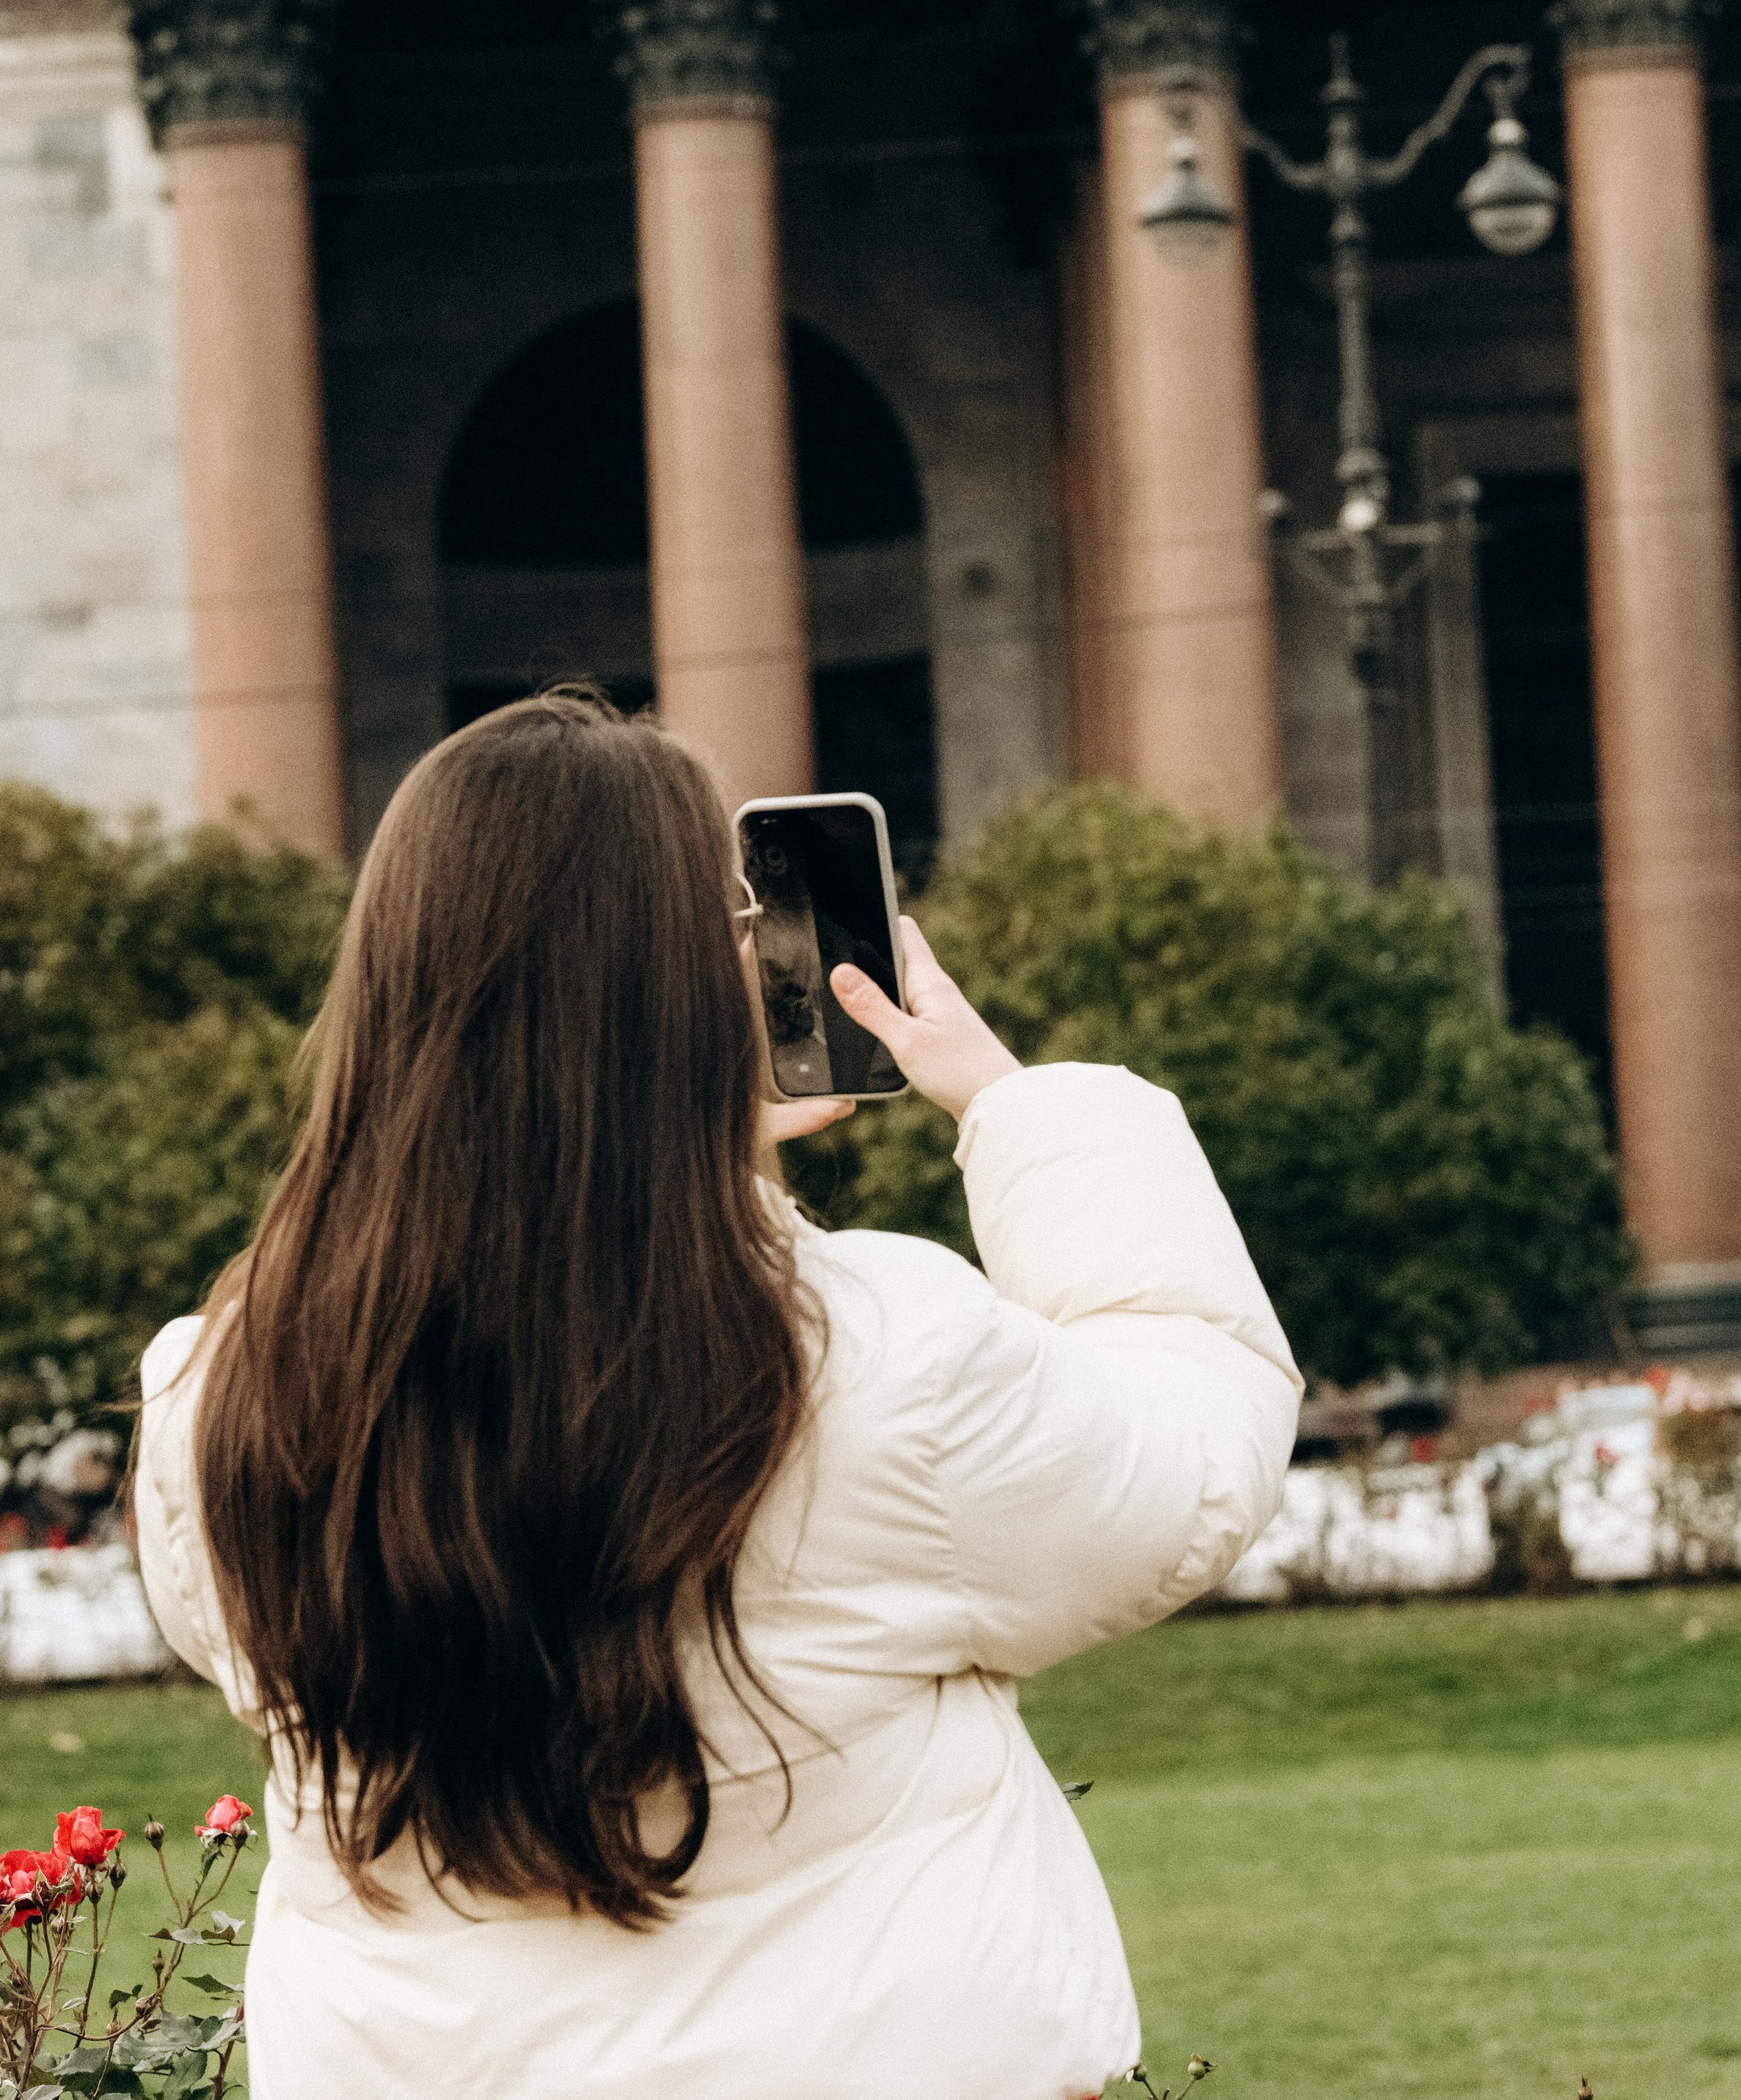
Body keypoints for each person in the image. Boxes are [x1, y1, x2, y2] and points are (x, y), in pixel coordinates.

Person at [135, 693, 1300, 2100]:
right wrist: (1014, 1107)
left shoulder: (218, 1398)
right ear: (696, 989)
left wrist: (648, 1170)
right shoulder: (872, 1362)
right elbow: (1190, 1457)